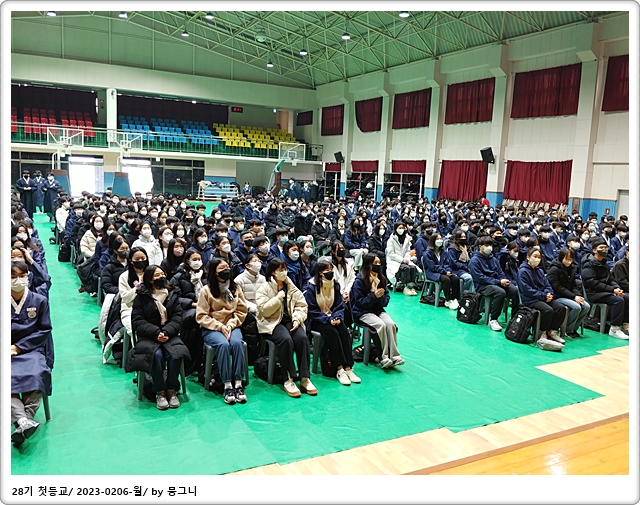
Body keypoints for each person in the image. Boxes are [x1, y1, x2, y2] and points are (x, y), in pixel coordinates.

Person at [130, 265, 189, 410]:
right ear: (150, 279)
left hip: (169, 334)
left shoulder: (172, 293)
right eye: (157, 275)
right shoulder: (141, 296)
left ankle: (172, 389)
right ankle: (160, 391)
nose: (161, 277)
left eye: (163, 274)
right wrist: (156, 332)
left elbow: (177, 317)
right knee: (156, 355)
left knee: (175, 354)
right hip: (149, 336)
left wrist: (166, 332)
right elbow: (138, 321)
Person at [255, 258, 316, 398]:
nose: (284, 272)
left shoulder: (291, 286)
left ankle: (305, 378)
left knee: (302, 338)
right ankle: (288, 378)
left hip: (289, 320)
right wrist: (278, 298)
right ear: (273, 272)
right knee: (286, 340)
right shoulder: (264, 288)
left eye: (285, 269)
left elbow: (302, 305)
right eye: (280, 270)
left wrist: (297, 319)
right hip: (271, 322)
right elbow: (264, 310)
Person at [10, 260, 54, 447]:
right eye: (12, 277)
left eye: (22, 276)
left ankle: (21, 421)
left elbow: (44, 330)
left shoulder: (39, 300)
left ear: (28, 276)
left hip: (31, 349)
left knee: (38, 374)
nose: (18, 280)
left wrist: (19, 347)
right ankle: (25, 421)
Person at [196, 257, 248, 405]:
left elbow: (241, 311)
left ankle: (238, 383)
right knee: (223, 345)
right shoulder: (206, 291)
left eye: (227, 267)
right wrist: (220, 326)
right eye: (222, 269)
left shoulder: (235, 288)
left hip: (232, 325)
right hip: (212, 328)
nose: (226, 270)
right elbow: (201, 316)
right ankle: (227, 385)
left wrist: (231, 325)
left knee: (237, 343)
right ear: (214, 272)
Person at [305, 259, 361, 386]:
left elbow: (339, 305)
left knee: (344, 332)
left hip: (332, 317)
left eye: (331, 269)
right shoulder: (311, 287)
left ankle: (348, 367)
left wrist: (337, 317)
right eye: (327, 270)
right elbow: (312, 310)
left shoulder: (335, 285)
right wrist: (327, 319)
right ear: (320, 273)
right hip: (317, 320)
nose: (330, 272)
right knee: (332, 333)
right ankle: (339, 368)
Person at [350, 253, 403, 369]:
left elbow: (386, 300)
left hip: (377, 310)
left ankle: (394, 356)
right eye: (375, 263)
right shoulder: (359, 280)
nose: (378, 265)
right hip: (362, 312)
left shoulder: (382, 279)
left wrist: (380, 298)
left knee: (391, 324)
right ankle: (383, 357)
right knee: (380, 325)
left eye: (379, 263)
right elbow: (359, 302)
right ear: (368, 264)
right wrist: (374, 296)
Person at [517, 248, 567, 349]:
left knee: (561, 308)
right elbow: (527, 290)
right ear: (528, 257)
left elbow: (547, 285)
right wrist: (544, 296)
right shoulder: (522, 271)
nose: (537, 259)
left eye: (539, 257)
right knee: (547, 310)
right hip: (530, 299)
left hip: (542, 297)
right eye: (535, 256)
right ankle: (541, 332)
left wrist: (549, 294)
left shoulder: (539, 271)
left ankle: (552, 331)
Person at [468, 236, 520, 332]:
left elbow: (500, 272)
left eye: (490, 245)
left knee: (515, 290)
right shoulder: (474, 261)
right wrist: (499, 282)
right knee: (500, 292)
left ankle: (514, 318)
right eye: (486, 245)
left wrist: (503, 280)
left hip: (496, 282)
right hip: (483, 286)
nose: (489, 247)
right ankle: (493, 319)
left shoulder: (493, 258)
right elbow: (480, 278)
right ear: (480, 246)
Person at [582, 238, 629, 339]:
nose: (604, 249)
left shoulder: (604, 263)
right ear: (594, 250)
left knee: (627, 297)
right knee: (618, 300)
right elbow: (593, 283)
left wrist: (617, 288)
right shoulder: (588, 264)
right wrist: (612, 290)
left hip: (605, 291)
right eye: (601, 247)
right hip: (594, 293)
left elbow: (611, 279)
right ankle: (614, 328)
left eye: (605, 247)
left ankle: (626, 325)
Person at [547, 249, 590, 339]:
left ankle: (574, 328)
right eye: (567, 259)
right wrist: (574, 297)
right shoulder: (554, 269)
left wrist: (578, 296)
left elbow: (573, 285)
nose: (569, 261)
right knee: (576, 307)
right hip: (557, 296)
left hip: (569, 295)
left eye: (571, 259)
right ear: (561, 258)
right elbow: (558, 288)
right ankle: (567, 330)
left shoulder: (572, 268)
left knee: (586, 306)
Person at [421, 233, 460, 309]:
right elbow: (432, 267)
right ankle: (448, 300)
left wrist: (448, 271)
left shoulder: (443, 252)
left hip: (443, 271)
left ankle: (454, 298)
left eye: (440, 239)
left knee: (455, 279)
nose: (440, 240)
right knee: (446, 279)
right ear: (433, 241)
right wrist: (444, 272)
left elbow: (447, 263)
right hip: (432, 273)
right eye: (437, 239)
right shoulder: (427, 253)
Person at [386, 221, 418, 296]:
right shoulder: (391, 240)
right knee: (406, 268)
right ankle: (405, 286)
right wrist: (402, 260)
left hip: (405, 260)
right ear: (395, 229)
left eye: (402, 228)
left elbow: (408, 251)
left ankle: (411, 286)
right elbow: (391, 254)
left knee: (413, 267)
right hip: (394, 261)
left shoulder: (407, 238)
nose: (401, 229)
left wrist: (406, 258)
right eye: (399, 228)